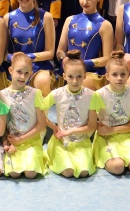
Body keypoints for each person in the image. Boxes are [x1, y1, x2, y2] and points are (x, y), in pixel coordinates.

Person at [43, 50, 103, 178]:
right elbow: (39, 112)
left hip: (82, 142)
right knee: (68, 171)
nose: (75, 81)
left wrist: (69, 131)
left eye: (79, 76)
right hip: (61, 142)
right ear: (64, 76)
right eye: (70, 77)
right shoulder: (57, 94)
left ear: (85, 76)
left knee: (84, 172)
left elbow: (92, 126)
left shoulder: (92, 96)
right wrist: (54, 127)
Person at [92, 51, 130, 176]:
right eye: (115, 74)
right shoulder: (99, 94)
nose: (119, 78)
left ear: (128, 75)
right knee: (118, 167)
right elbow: (91, 120)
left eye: (123, 74)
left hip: (127, 135)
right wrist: (102, 129)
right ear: (107, 76)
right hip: (106, 137)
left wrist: (113, 130)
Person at [57, 0, 114, 90]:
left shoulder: (105, 25)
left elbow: (107, 59)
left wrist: (82, 64)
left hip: (91, 73)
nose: (85, 2)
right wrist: (64, 59)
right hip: (68, 71)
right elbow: (60, 50)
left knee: (79, 86)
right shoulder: (69, 20)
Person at [5, 0, 57, 95]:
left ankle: (44, 108)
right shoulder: (8, 18)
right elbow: (3, 53)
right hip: (16, 68)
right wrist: (13, 58)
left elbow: (50, 52)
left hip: (39, 67)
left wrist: (25, 57)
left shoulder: (46, 17)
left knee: (43, 80)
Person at [0, 53, 47, 178]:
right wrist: (7, 144)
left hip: (31, 140)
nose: (22, 77)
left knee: (31, 173)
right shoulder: (1, 95)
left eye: (26, 73)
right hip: (13, 142)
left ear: (31, 74)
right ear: (11, 70)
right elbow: (2, 125)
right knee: (14, 173)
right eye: (19, 72)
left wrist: (21, 139)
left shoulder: (35, 93)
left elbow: (42, 124)